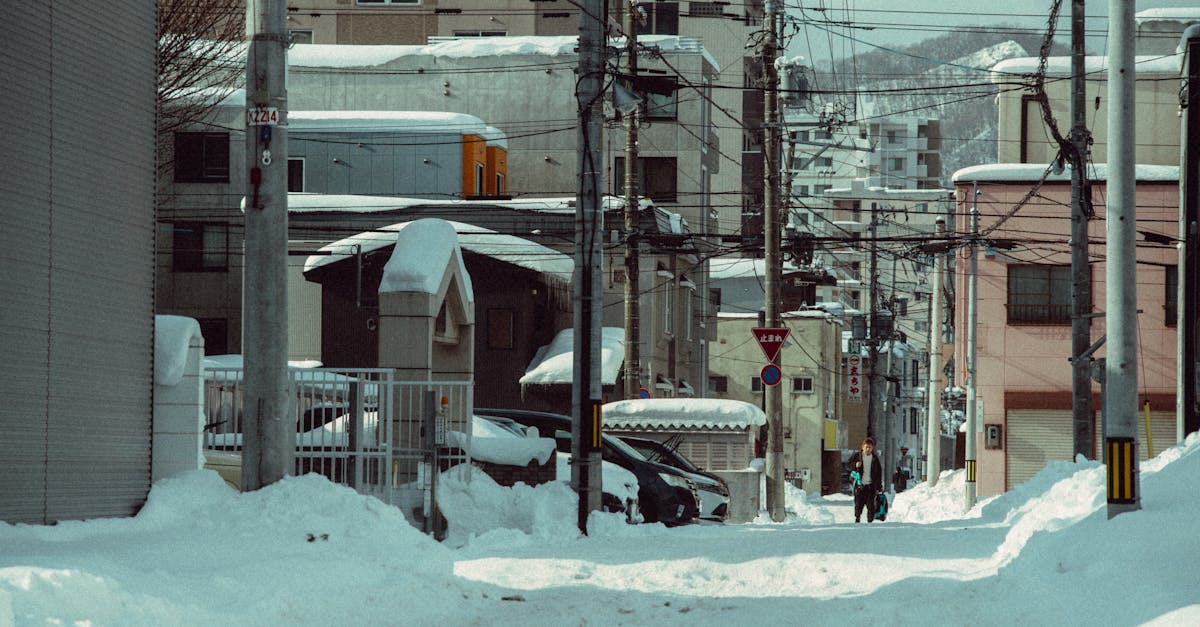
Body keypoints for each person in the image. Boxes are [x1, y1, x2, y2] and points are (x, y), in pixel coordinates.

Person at [847, 437, 883, 523]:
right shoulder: (857, 456)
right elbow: (847, 465)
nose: (868, 449)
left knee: (871, 506)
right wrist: (855, 465)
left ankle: (870, 521)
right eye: (866, 447)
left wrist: (879, 486)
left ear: (872, 448)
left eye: (870, 447)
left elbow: (878, 473)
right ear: (862, 447)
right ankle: (857, 518)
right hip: (860, 486)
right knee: (858, 505)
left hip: (871, 486)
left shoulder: (874, 459)